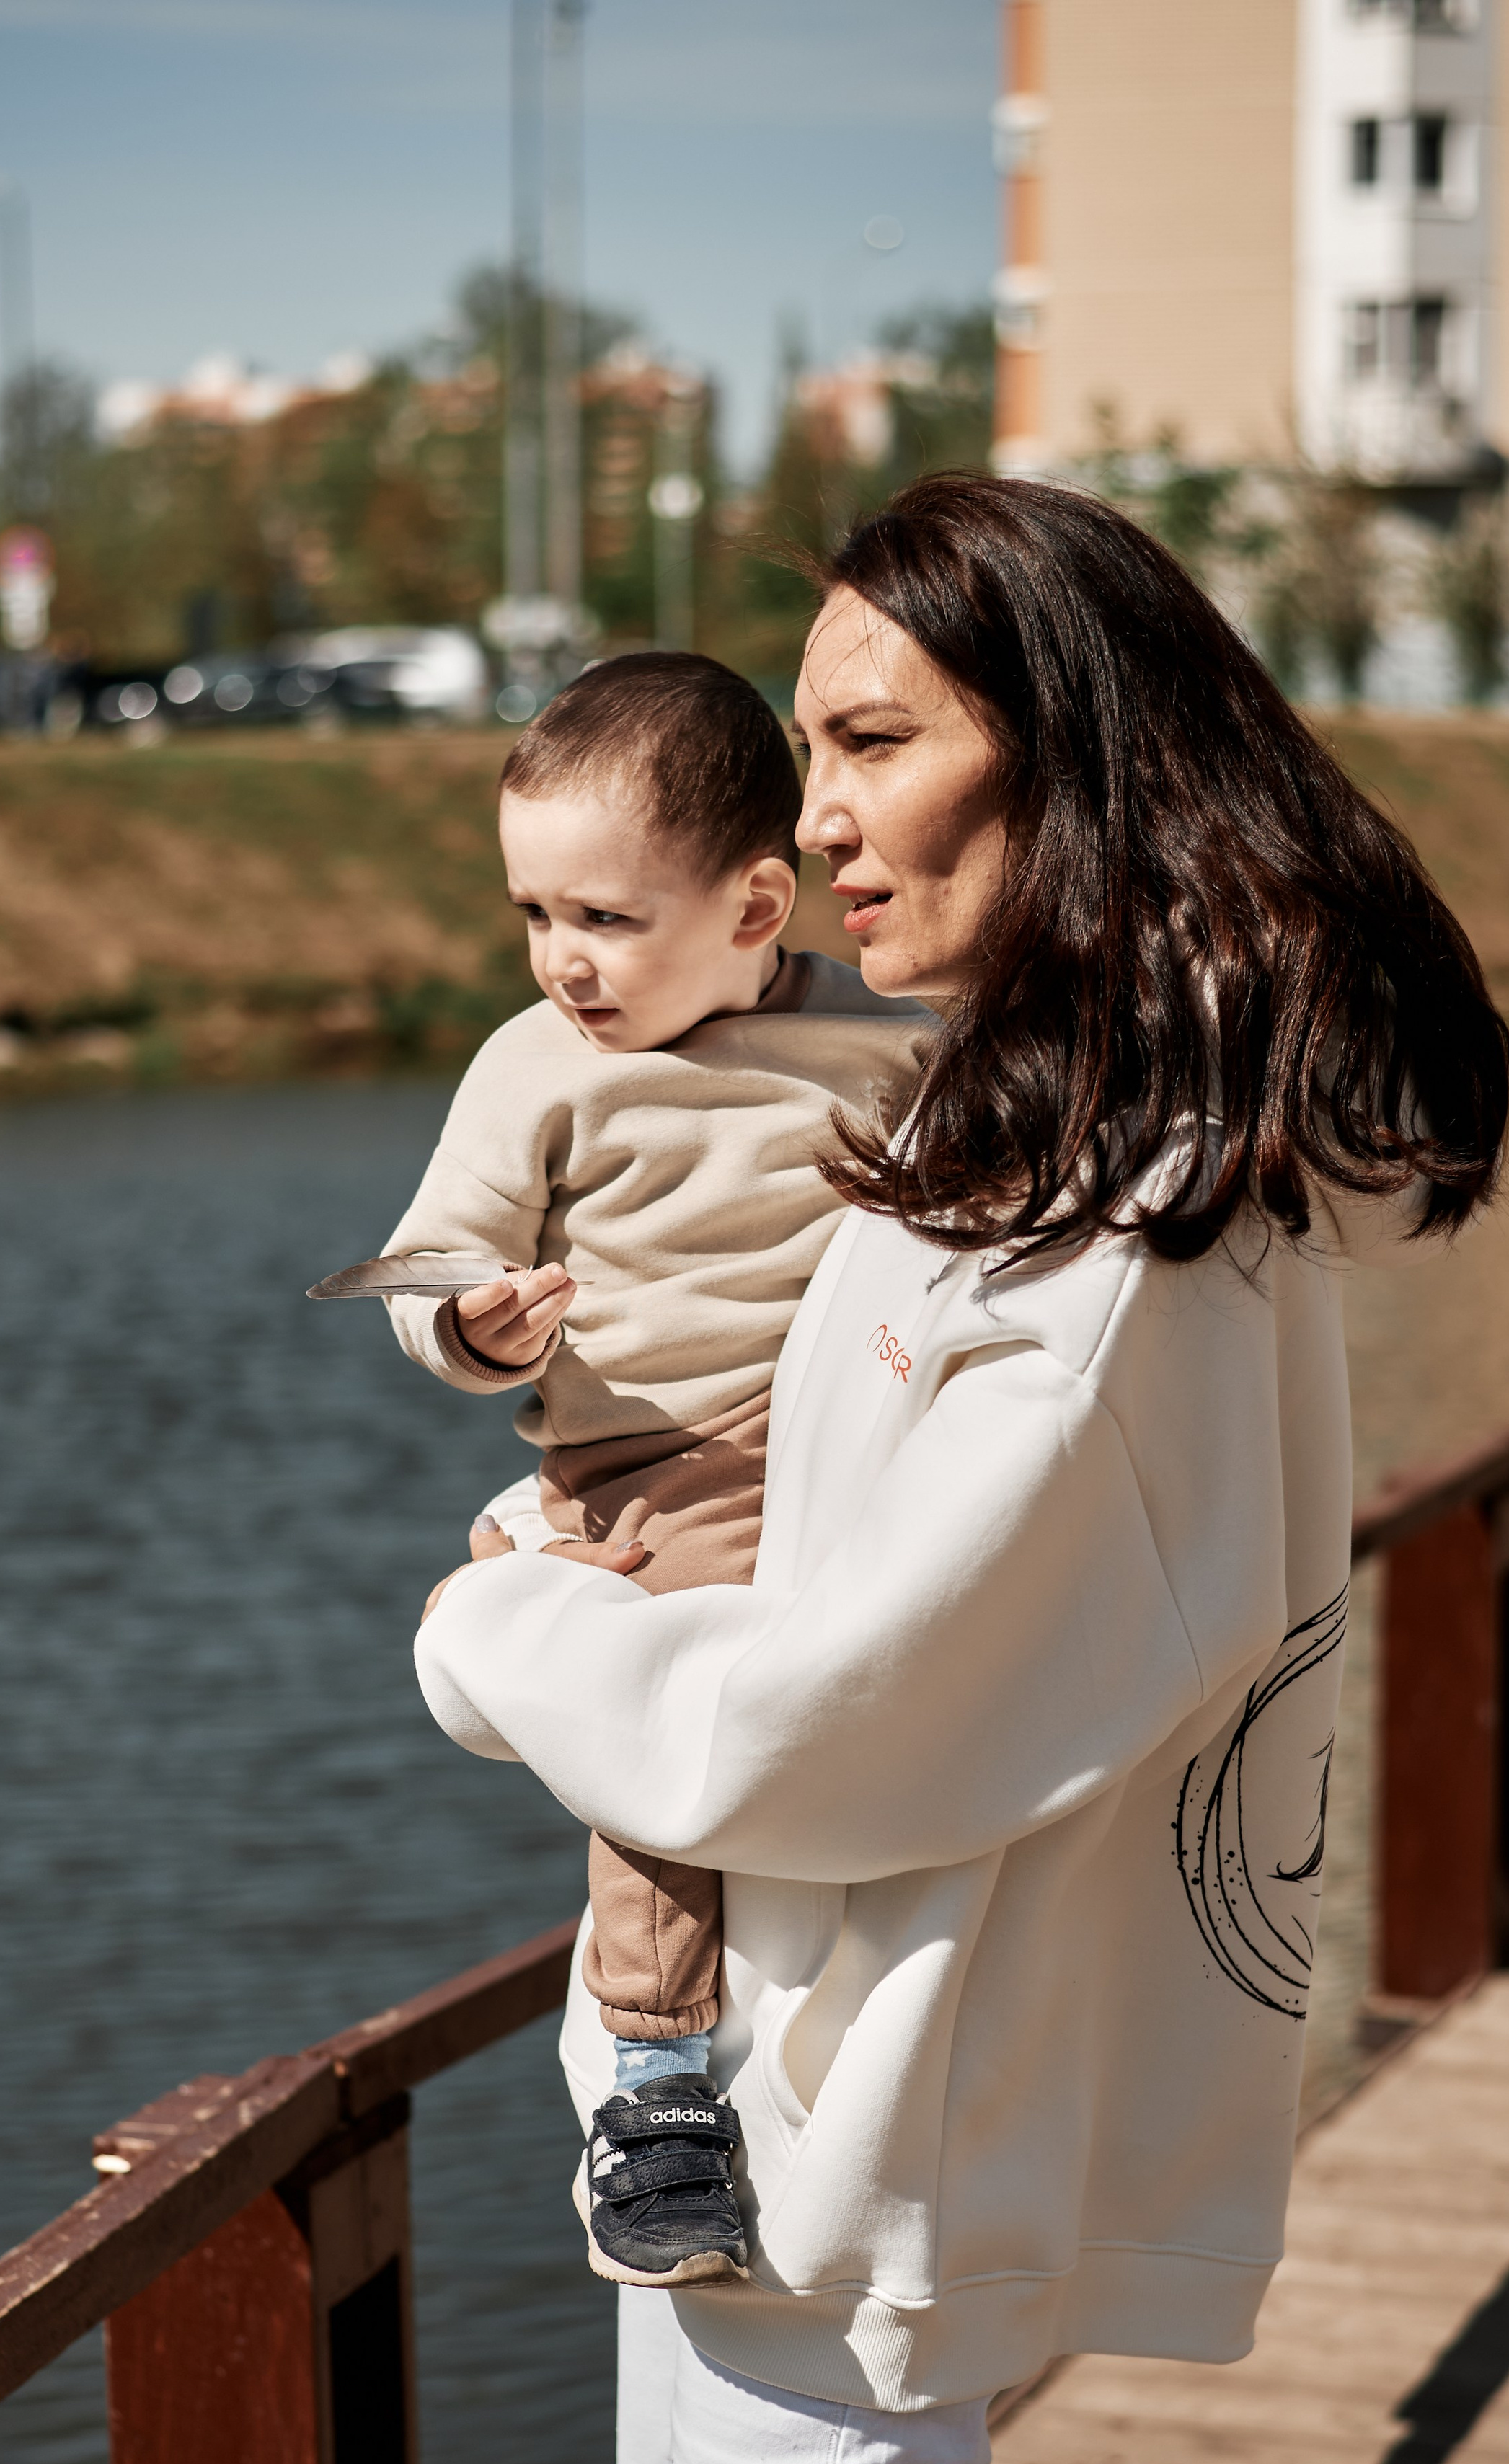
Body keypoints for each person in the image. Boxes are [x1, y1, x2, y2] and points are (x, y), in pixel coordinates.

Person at [414, 474, 1509, 2464]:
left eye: (872, 743)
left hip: (868, 2152)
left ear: (1070, 747)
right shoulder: (1035, 1148)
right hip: (784, 2114)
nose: (814, 823)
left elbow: (856, 1711)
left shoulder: (1123, 1235)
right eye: (807, 757)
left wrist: (504, 1625)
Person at [380, 650, 929, 2283]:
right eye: (534, 917)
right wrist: (477, 1328)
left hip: (861, 1443)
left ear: (759, 908)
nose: (565, 963)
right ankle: (659, 2086)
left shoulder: (874, 1044)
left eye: (609, 920)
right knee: (663, 1730)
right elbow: (425, 1267)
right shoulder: (535, 1071)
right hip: (660, 1471)